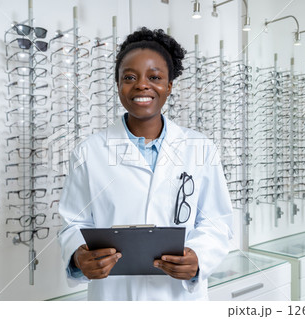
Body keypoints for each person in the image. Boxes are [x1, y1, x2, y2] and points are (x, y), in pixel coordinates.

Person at [58, 27, 233, 301]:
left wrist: (198, 257)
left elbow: (217, 222)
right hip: (115, 298)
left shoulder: (200, 148)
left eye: (155, 77)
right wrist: (79, 256)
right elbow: (73, 222)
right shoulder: (89, 152)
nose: (142, 85)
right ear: (118, 85)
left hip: (179, 298)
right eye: (129, 77)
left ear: (169, 86)